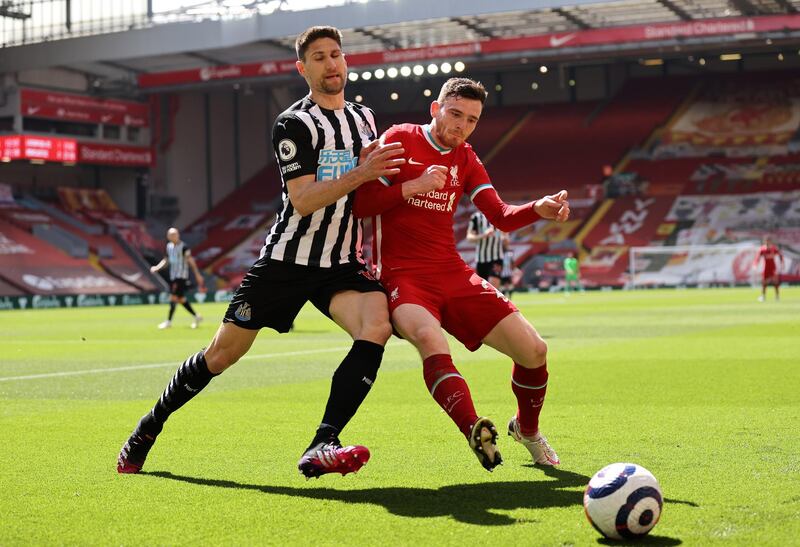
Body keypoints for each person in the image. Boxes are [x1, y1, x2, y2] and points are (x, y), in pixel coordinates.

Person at [117, 26, 405, 479]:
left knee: (377, 326)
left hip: (342, 262)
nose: (331, 64)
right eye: (319, 57)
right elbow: (305, 199)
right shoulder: (294, 124)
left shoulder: (364, 118)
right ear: (302, 68)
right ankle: (148, 428)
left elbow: (373, 181)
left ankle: (322, 443)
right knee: (221, 355)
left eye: (336, 54)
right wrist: (363, 171)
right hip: (287, 260)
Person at [353, 77, 570, 471]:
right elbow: (360, 204)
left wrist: (537, 207)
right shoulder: (399, 139)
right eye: (455, 115)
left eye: (471, 120)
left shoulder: (466, 157)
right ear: (435, 109)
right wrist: (413, 186)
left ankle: (527, 430)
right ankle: (475, 429)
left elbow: (500, 217)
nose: (461, 126)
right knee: (428, 338)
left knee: (534, 350)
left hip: (453, 273)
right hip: (404, 277)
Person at [150, 227, 205, 329]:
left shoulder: (184, 247)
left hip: (181, 276)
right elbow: (166, 260)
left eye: (175, 234)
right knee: (181, 299)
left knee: (173, 298)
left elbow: (190, 260)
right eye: (171, 235)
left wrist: (197, 274)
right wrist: (157, 267)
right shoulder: (169, 246)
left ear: (178, 235)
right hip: (173, 276)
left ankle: (168, 322)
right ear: (168, 236)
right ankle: (196, 316)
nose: (173, 236)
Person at [467, 210, 506, 288]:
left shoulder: (500, 214)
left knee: (493, 286)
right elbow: (469, 237)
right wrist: (484, 235)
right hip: (481, 259)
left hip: (496, 257)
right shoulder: (476, 217)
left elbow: (505, 235)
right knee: (484, 289)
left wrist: (504, 238)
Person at [753, 236, 784, 302]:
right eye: (766, 241)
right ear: (765, 241)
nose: (768, 242)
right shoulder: (762, 249)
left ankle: (777, 296)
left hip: (773, 267)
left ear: (771, 241)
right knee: (764, 282)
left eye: (769, 240)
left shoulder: (774, 248)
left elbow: (780, 255)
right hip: (766, 268)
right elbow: (757, 258)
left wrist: (782, 264)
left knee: (775, 282)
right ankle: (763, 296)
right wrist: (755, 265)